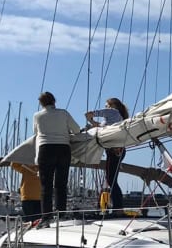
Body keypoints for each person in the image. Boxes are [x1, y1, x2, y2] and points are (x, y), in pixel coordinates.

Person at [34, 91, 81, 219]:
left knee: (46, 185)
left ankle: (46, 216)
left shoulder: (37, 116)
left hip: (45, 149)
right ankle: (61, 214)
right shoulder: (63, 113)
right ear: (54, 101)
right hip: (63, 149)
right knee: (61, 184)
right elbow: (76, 130)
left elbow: (36, 132)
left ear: (41, 103)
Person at [85, 97, 129, 213]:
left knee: (111, 179)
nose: (105, 107)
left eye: (106, 105)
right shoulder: (113, 118)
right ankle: (118, 207)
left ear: (112, 105)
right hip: (115, 150)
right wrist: (92, 122)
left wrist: (90, 115)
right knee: (112, 179)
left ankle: (118, 208)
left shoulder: (113, 112)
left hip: (114, 150)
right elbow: (100, 127)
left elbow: (96, 113)